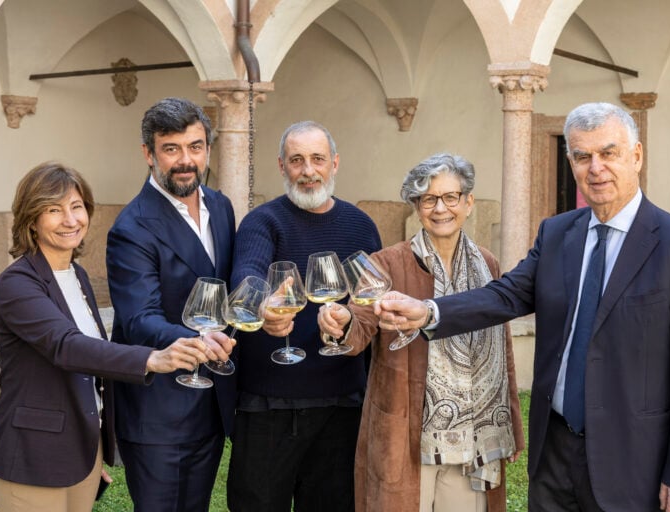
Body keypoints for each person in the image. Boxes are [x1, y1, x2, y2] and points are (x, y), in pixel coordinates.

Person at [376, 103, 670, 512]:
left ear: (636, 155)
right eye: (582, 156)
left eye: (608, 153)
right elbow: (505, 295)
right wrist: (429, 312)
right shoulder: (559, 233)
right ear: (571, 163)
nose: (595, 168)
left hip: (634, 459)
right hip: (555, 451)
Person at [0, 162, 231, 512]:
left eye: (76, 206)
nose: (70, 220)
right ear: (31, 219)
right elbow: (67, 346)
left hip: (79, 451)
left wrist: (93, 449)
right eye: (54, 210)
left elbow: (90, 370)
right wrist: (151, 358)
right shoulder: (16, 284)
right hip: (33, 456)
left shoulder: (77, 275)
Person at [318, 153, 525, 512]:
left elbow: (502, 345)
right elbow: (360, 326)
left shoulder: (488, 263)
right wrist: (341, 323)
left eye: (450, 197)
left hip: (473, 435)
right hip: (407, 433)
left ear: (468, 202)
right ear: (417, 206)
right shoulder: (386, 262)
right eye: (429, 199)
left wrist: (511, 422)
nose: (440, 208)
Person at [226, 120, 382, 512]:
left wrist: (350, 318)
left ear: (335, 163)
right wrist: (264, 306)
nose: (308, 170)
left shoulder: (360, 225)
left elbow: (371, 298)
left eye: (317, 159)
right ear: (282, 166)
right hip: (269, 402)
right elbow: (249, 272)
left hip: (342, 403)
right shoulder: (262, 221)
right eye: (297, 160)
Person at [106, 97, 237, 512]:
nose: (186, 160)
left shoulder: (221, 206)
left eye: (195, 147)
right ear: (149, 153)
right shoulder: (131, 227)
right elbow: (140, 320)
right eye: (172, 149)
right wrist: (205, 340)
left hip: (210, 402)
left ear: (208, 149)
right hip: (158, 411)